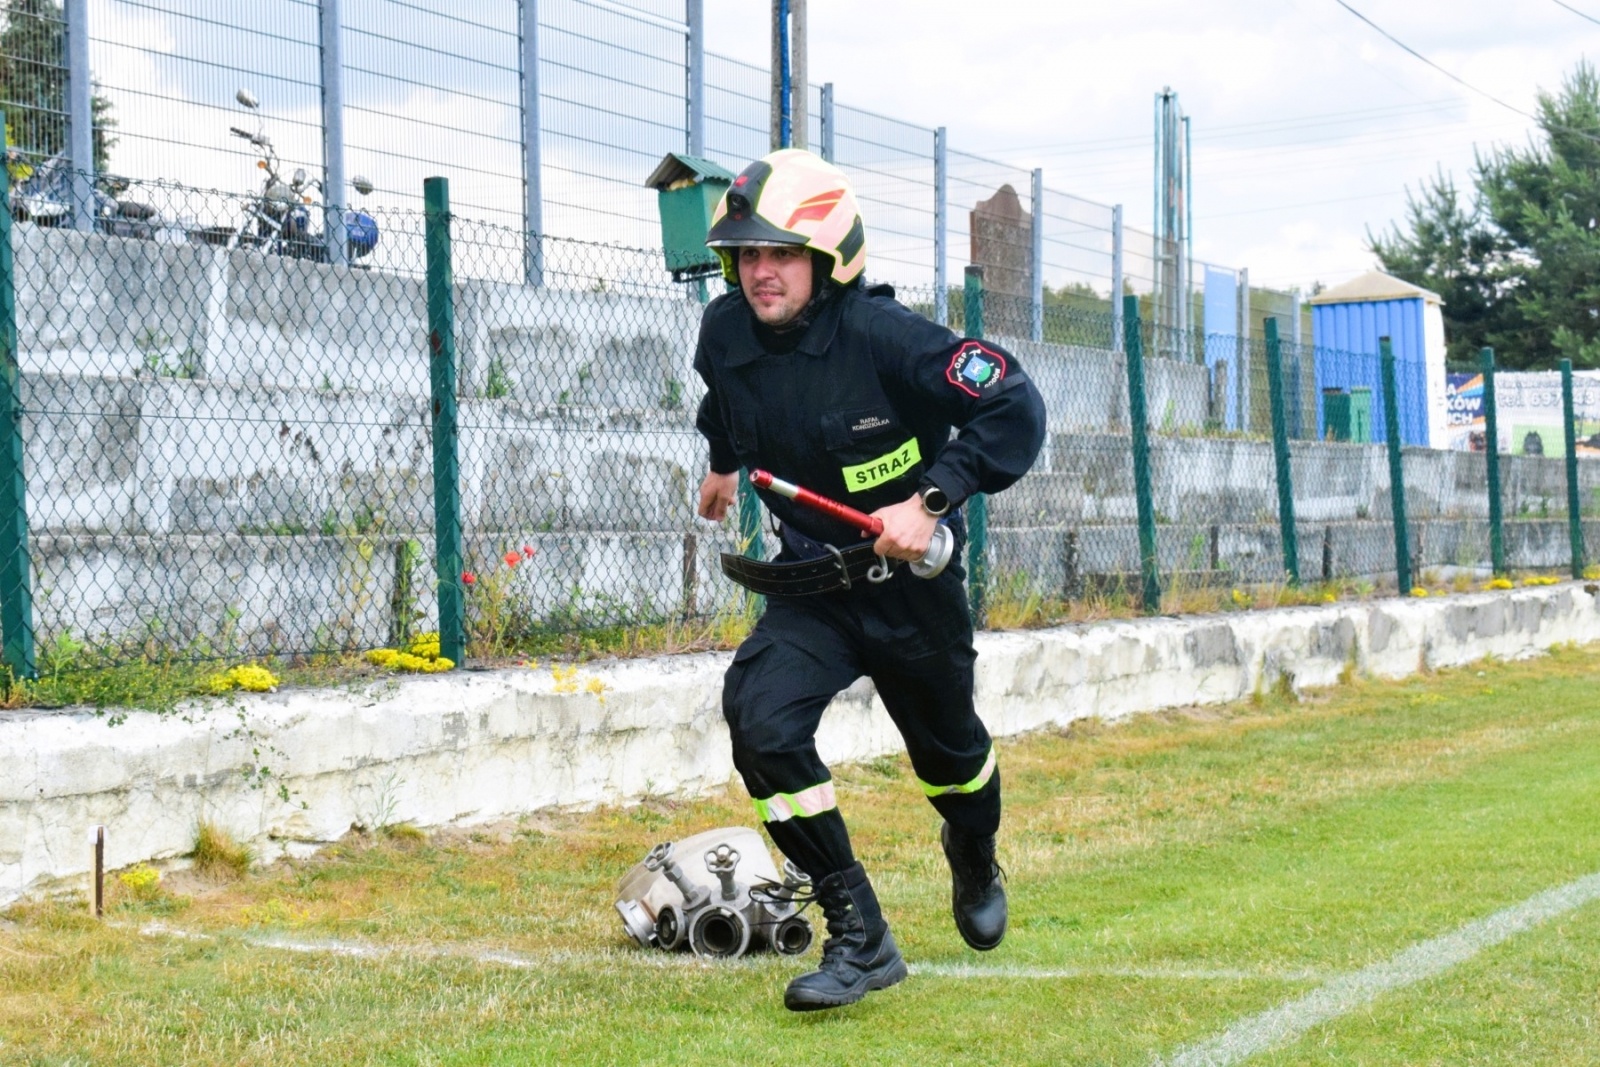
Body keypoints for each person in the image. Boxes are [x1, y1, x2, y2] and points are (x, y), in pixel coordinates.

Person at [692, 148, 1046, 1012]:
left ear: (827, 256)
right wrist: (723, 464)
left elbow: (1014, 403)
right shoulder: (724, 330)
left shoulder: (890, 337)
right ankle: (860, 932)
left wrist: (931, 501)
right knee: (759, 721)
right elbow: (724, 401)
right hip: (812, 584)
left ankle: (972, 851)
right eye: (746, 255)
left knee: (954, 759)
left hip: (909, 589)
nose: (759, 272)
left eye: (779, 253)